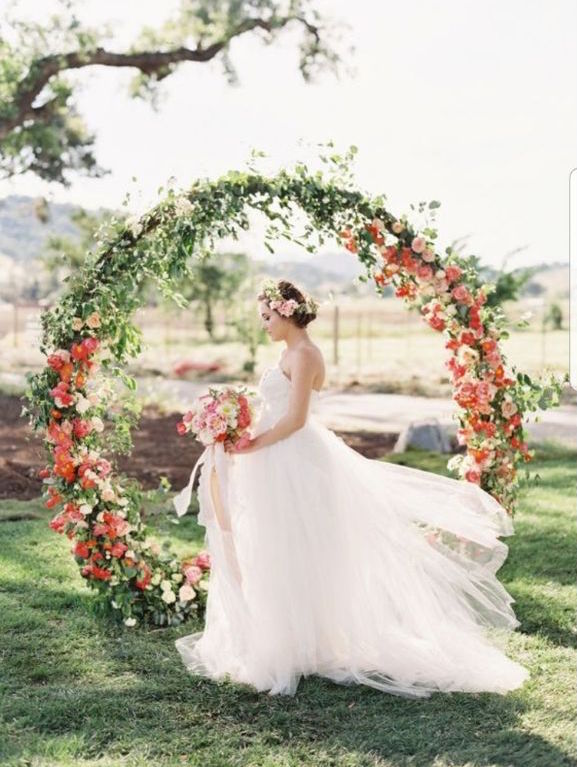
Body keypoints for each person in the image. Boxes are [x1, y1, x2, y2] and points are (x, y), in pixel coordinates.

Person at [174, 278, 530, 698]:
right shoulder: (287, 353)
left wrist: (253, 444)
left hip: (294, 458)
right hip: (274, 457)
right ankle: (290, 639)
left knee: (297, 545)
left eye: (268, 316)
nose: (264, 324)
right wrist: (238, 429)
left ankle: (303, 643)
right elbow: (275, 409)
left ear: (287, 313)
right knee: (277, 546)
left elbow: (296, 419)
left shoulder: (306, 354)